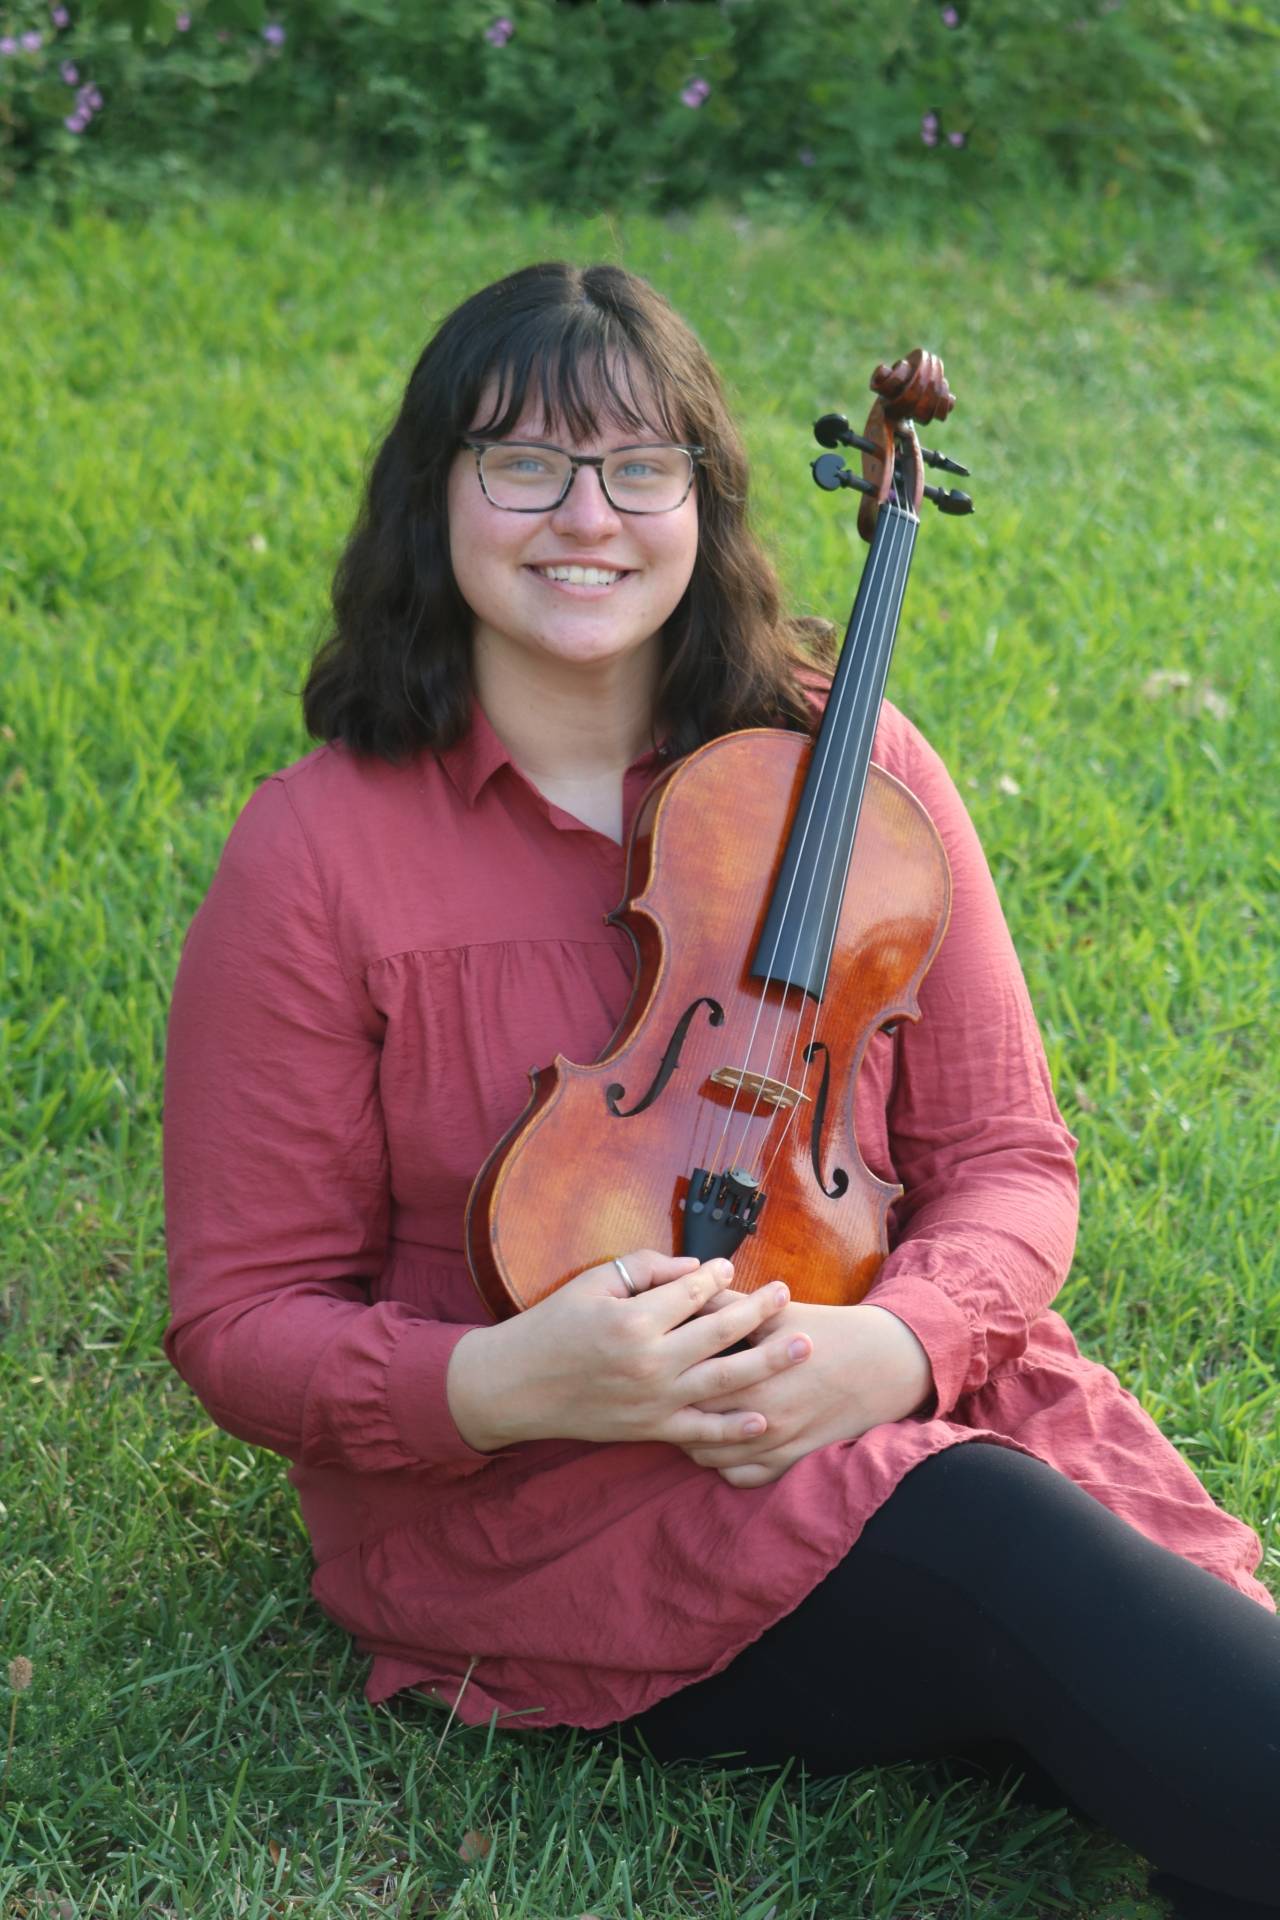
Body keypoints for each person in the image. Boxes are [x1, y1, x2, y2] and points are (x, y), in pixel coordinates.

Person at [162, 261, 1279, 1917]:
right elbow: (240, 1313)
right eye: (520, 462)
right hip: (539, 1503)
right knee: (1010, 1559)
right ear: (434, 498)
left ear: (703, 499)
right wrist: (507, 1382)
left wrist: (888, 1349)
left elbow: (1008, 1157)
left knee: (1115, 1629)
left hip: (864, 1387)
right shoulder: (318, 853)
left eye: (636, 467)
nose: (584, 517)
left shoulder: (859, 764)